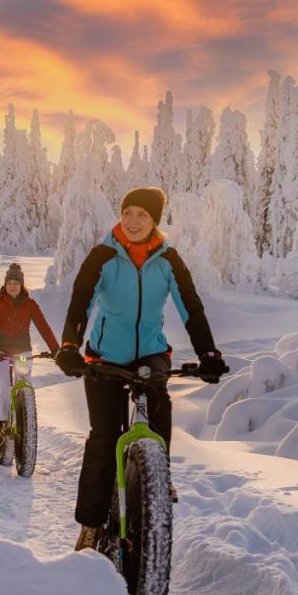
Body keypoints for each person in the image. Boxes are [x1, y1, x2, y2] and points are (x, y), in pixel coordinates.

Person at [55, 186, 227, 551]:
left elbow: (190, 307)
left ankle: (156, 477)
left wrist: (208, 353)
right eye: (128, 212)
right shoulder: (102, 256)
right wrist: (69, 344)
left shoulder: (168, 260)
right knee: (104, 436)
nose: (133, 221)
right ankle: (90, 524)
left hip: (149, 352)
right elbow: (81, 300)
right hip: (105, 355)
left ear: (155, 221)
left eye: (142, 215)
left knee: (157, 399)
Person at [0, 263, 59, 462]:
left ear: (22, 285)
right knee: (1, 381)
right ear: (5, 285)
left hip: (22, 352)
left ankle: (25, 419)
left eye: (16, 283)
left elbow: (43, 326)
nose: (13, 286)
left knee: (24, 380)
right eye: (10, 283)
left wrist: (56, 348)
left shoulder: (30, 304)